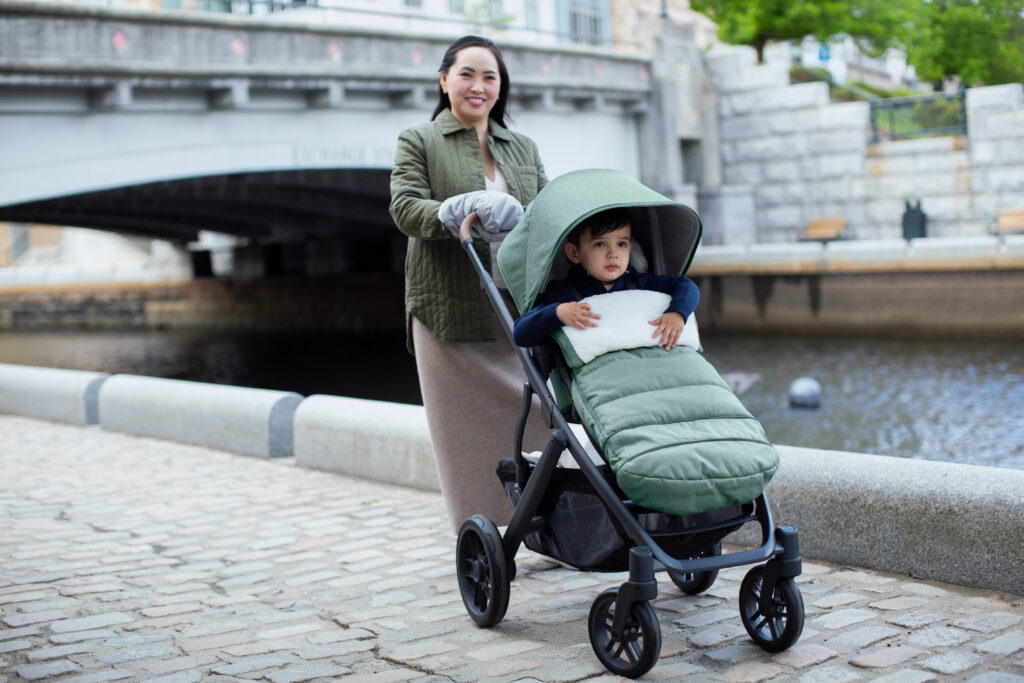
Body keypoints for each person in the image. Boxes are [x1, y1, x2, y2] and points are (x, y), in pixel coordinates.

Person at [389, 35, 549, 531]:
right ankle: (480, 528)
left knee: (545, 410)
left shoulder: (521, 146)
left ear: (501, 88)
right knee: (463, 429)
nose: (478, 86)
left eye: (490, 77)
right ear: (444, 80)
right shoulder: (419, 140)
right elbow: (404, 207)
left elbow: (546, 209)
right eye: (467, 74)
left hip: (520, 301)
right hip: (449, 305)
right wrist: (452, 213)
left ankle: (543, 518)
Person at [513, 207, 699, 349]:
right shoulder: (563, 292)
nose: (613, 254)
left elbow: (686, 286)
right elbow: (521, 333)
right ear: (574, 253)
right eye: (600, 244)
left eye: (621, 244)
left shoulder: (637, 283)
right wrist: (557, 313)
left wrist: (677, 313)